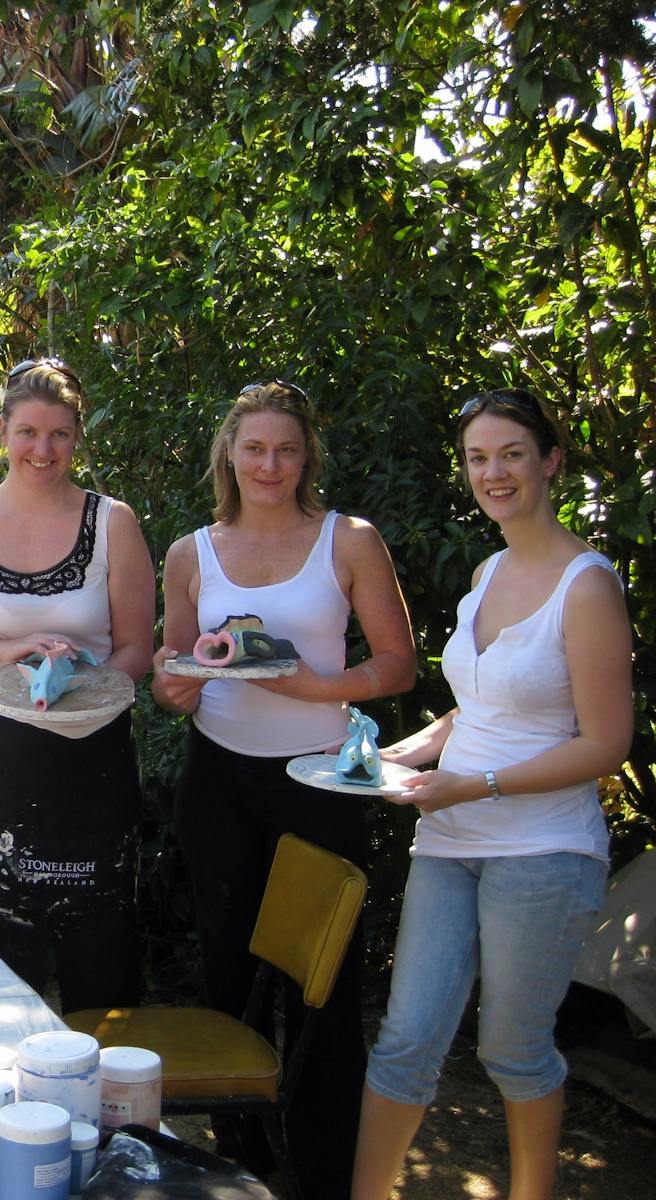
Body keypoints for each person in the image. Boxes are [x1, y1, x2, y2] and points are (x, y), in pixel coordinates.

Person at [352, 388, 631, 1200]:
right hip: (449, 842)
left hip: (543, 853)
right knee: (404, 1043)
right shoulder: (489, 569)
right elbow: (481, 704)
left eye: (511, 453)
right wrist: (395, 754)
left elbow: (604, 744)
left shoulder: (586, 586)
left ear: (550, 460)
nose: (493, 472)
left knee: (512, 1050)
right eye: (478, 458)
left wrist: (477, 784)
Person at [150, 379, 416, 1199]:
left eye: (287, 449)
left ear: (307, 457)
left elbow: (399, 664)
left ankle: (326, 1164)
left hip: (320, 779)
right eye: (255, 448)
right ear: (230, 453)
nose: (271, 464)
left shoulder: (349, 540)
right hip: (218, 778)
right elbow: (169, 667)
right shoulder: (191, 551)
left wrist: (309, 688)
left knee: (320, 981)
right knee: (228, 964)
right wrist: (177, 688)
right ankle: (242, 1156)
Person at [0, 359, 155, 1011]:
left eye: (60, 434)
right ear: (3, 433)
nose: (43, 450)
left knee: (101, 973)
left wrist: (79, 693)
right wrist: (8, 648)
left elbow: (136, 649)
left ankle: (105, 1112)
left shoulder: (113, 523)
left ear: (77, 437)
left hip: (91, 766)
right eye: (28, 432)